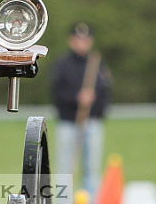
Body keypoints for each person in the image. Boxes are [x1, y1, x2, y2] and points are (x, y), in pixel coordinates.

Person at [51, 22, 112, 200]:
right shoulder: (62, 65)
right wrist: (77, 98)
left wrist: (94, 105)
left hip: (92, 122)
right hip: (68, 123)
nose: (81, 43)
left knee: (91, 168)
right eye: (78, 39)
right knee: (65, 168)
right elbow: (57, 92)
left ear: (90, 41)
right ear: (71, 41)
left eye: (85, 40)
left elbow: (105, 91)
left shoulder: (98, 64)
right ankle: (64, 201)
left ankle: (91, 200)